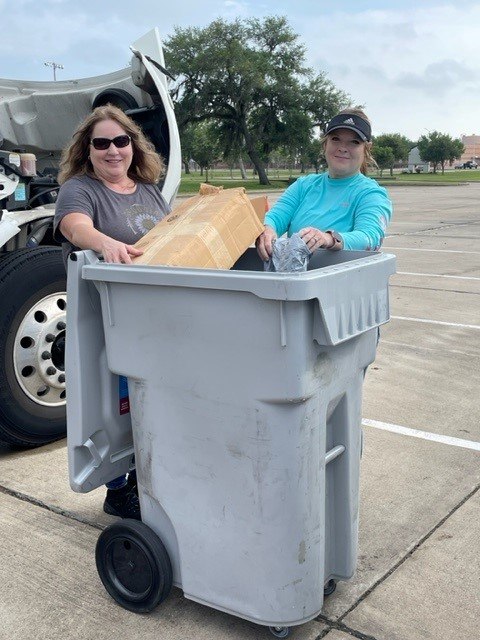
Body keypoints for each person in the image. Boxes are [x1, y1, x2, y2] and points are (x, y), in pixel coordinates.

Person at [53, 104, 171, 519]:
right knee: (118, 403)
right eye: (101, 143)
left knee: (156, 398)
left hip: (158, 314)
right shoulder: (80, 189)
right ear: (88, 150)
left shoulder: (149, 190)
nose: (112, 151)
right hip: (111, 318)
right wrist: (104, 243)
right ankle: (119, 489)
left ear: (133, 146)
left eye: (121, 141)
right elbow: (73, 226)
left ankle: (153, 477)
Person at [256, 108, 392, 261]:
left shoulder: (371, 194)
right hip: (296, 279)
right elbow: (275, 217)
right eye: (335, 139)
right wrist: (267, 230)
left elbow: (370, 237)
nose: (342, 148)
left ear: (366, 149)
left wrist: (328, 239)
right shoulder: (303, 186)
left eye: (354, 142)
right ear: (325, 144)